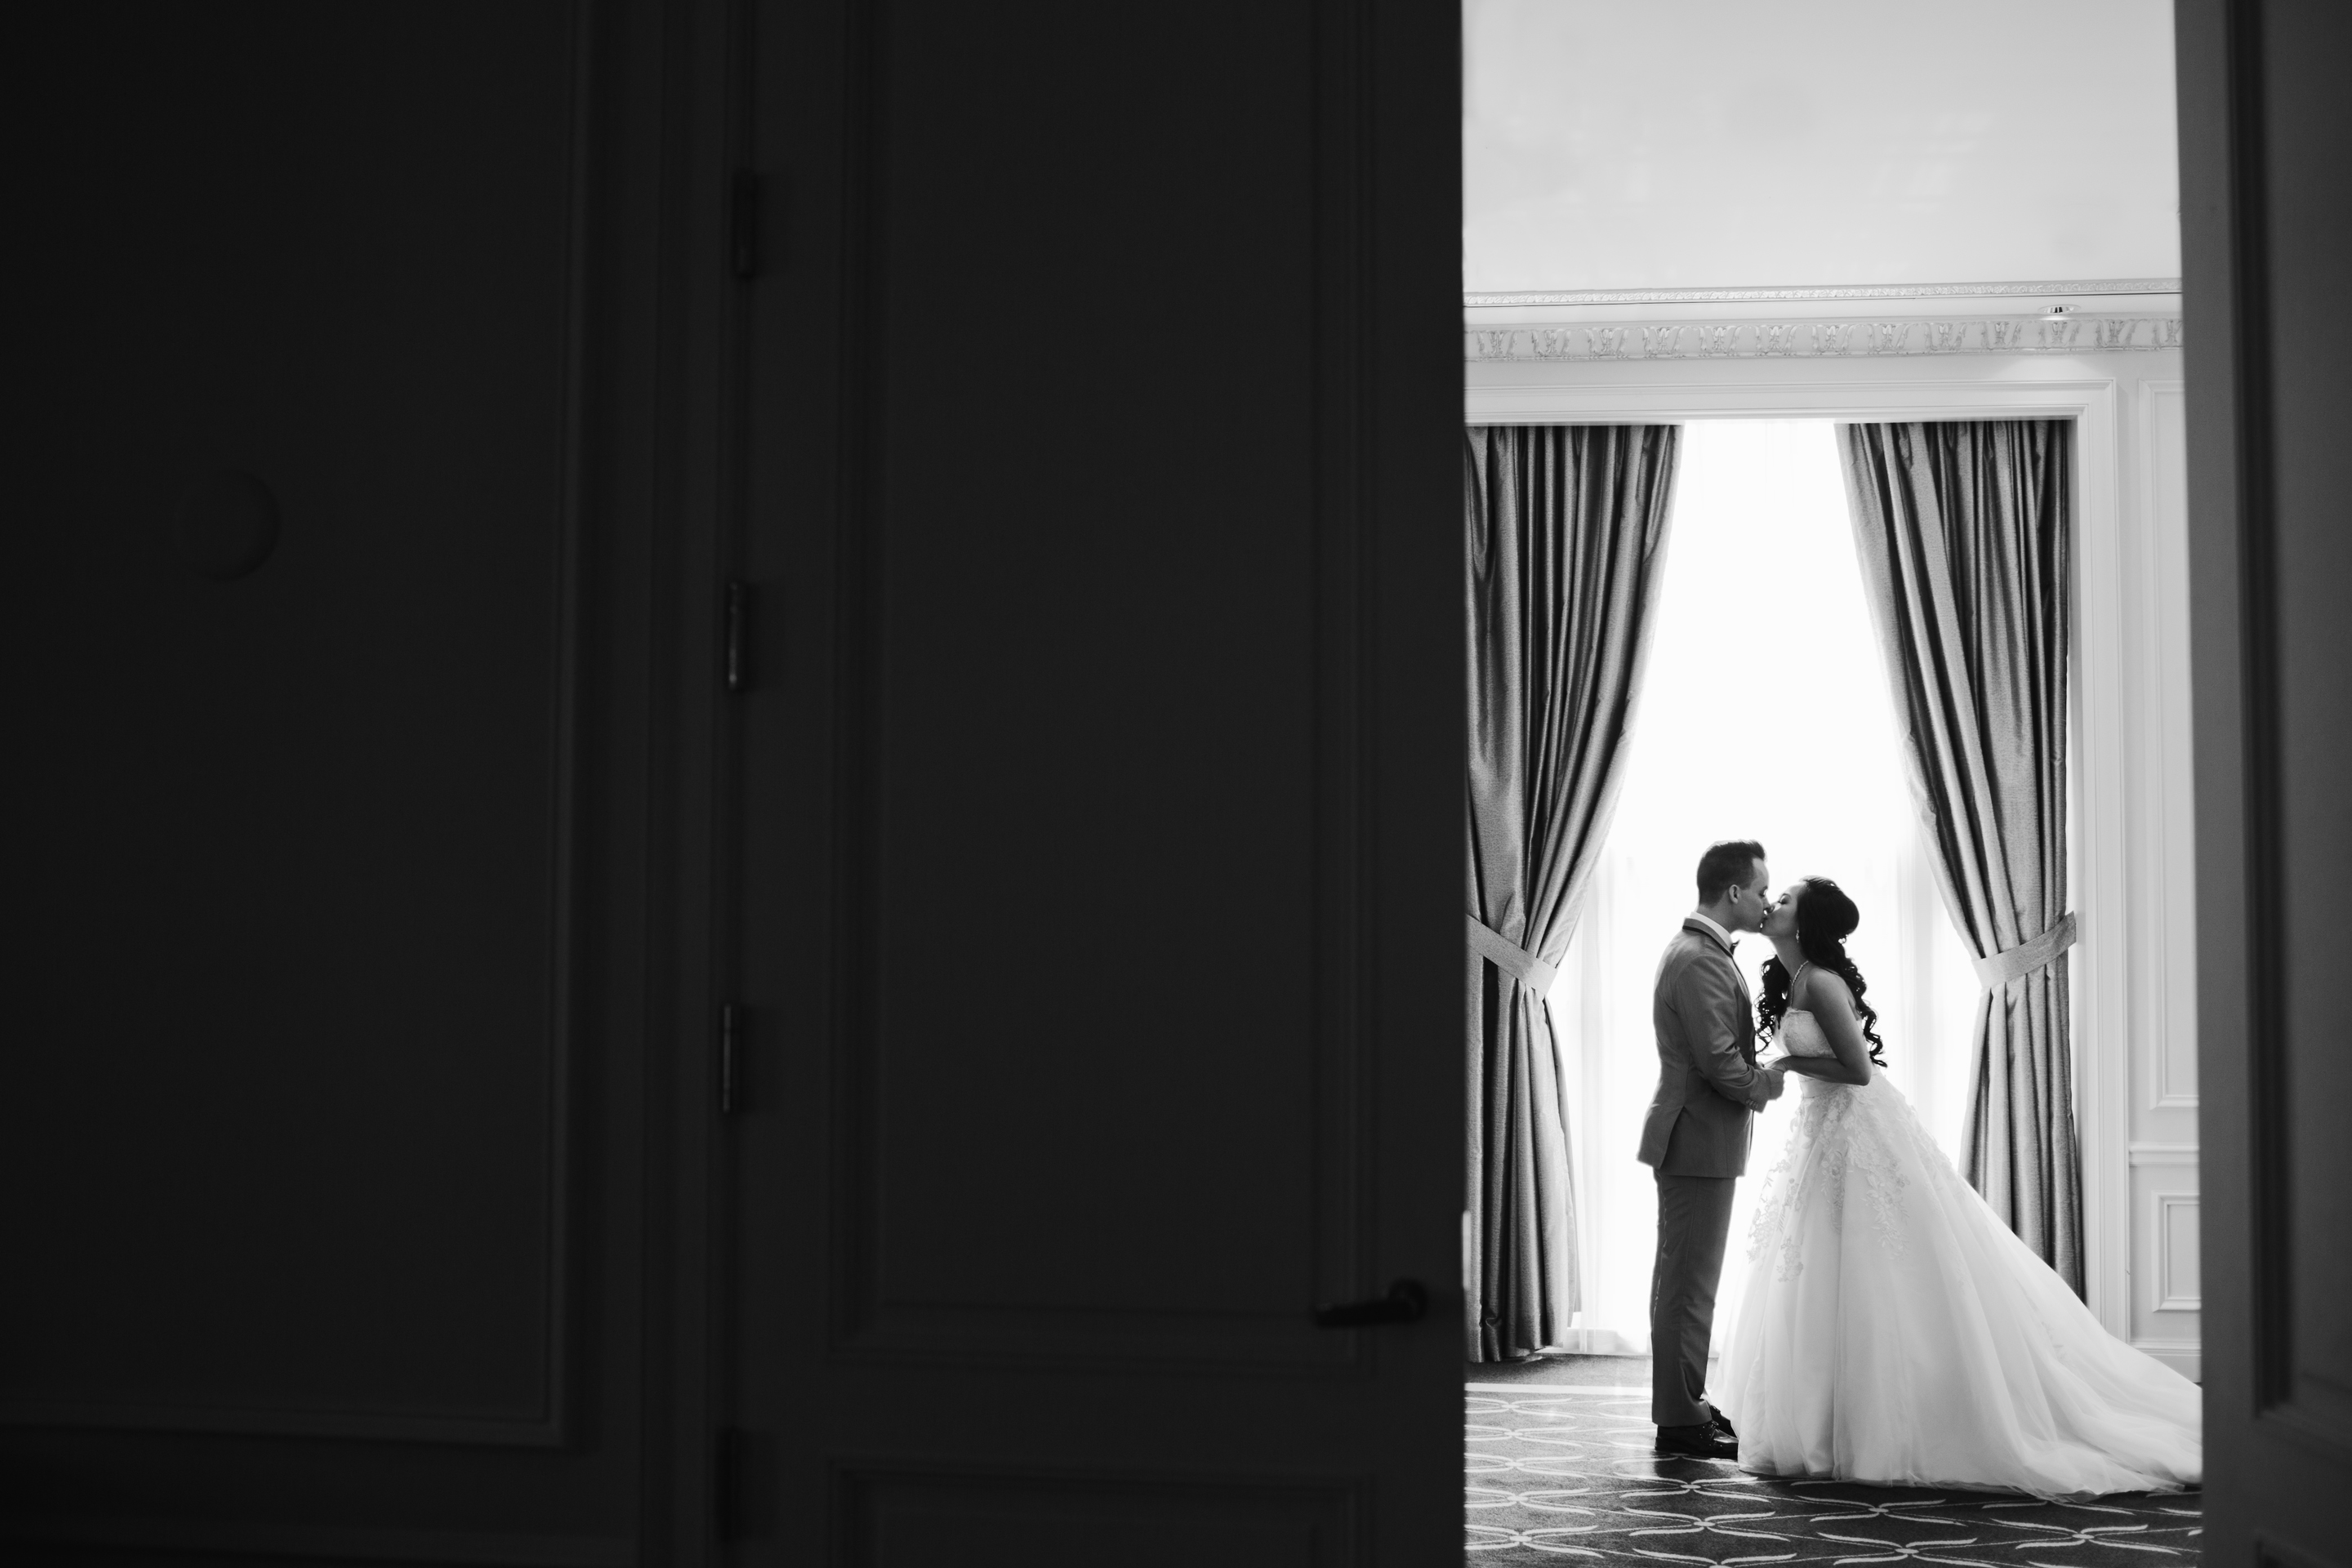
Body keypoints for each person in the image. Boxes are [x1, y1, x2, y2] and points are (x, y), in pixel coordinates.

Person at [1719, 876, 2202, 1498]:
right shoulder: (1792, 977)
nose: (1772, 903)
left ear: (1804, 919)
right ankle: (1826, 1421)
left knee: (1880, 1268)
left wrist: (1785, 1063)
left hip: (1857, 1131)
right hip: (1820, 1134)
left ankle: (1893, 1423)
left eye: (1783, 899)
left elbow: (1859, 1071)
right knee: (1818, 1272)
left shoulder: (1820, 982)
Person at [1639, 840, 1787, 1459]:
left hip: (1698, 1137)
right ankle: (1680, 1419)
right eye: (1760, 890)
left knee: (1685, 1279)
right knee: (1688, 1285)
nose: (1766, 902)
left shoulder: (1700, 951)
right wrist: (1769, 1084)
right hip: (1697, 1138)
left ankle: (1687, 1401)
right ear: (1733, 893)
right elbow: (1721, 1062)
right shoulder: (1699, 959)